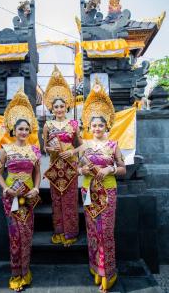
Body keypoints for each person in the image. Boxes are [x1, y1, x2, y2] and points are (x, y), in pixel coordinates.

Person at [77, 78, 126, 292]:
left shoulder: (113, 145)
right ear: (89, 126)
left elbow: (123, 168)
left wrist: (110, 169)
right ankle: (96, 268)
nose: (97, 128)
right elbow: (77, 169)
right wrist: (83, 170)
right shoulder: (84, 146)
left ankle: (109, 273)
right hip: (88, 191)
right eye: (94, 125)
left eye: (100, 125)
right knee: (92, 231)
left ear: (107, 125)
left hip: (108, 190)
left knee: (105, 231)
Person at [0, 89, 41, 292]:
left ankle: (26, 271)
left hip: (28, 198)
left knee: (27, 234)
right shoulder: (6, 149)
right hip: (11, 198)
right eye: (20, 129)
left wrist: (37, 188)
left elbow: (37, 173)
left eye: (26, 129)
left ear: (30, 131)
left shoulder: (34, 151)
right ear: (14, 130)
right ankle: (16, 275)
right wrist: (6, 189)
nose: (24, 132)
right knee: (15, 234)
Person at [43, 65, 82, 246]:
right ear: (51, 107)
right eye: (55, 106)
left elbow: (81, 147)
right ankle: (59, 231)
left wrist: (71, 151)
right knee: (56, 199)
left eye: (61, 106)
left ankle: (71, 233)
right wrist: (49, 150)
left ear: (67, 106)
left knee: (70, 199)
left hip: (70, 166)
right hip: (54, 167)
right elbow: (44, 147)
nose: (59, 109)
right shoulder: (48, 126)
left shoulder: (73, 124)